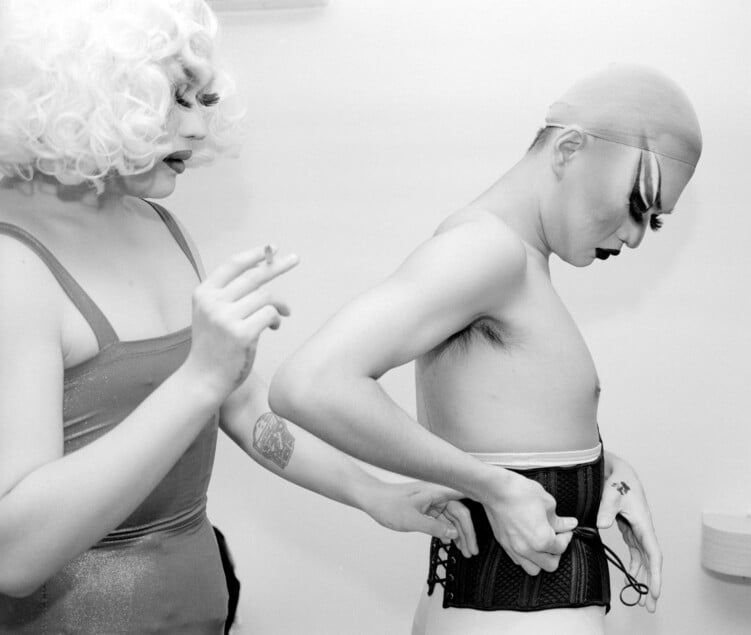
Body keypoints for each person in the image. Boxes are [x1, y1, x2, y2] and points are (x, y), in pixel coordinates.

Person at [0, 1, 476, 633]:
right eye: (175, 98)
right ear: (85, 91)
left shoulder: (157, 223)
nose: (199, 129)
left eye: (204, 99)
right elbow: (16, 554)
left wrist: (373, 493)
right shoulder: (13, 267)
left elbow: (243, 407)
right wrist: (200, 375)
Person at [269, 63, 702, 634]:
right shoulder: (486, 250)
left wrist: (610, 476)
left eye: (655, 222)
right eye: (636, 205)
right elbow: (309, 385)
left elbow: (512, 439)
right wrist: (492, 487)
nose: (636, 235)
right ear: (569, 149)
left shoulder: (516, 260)